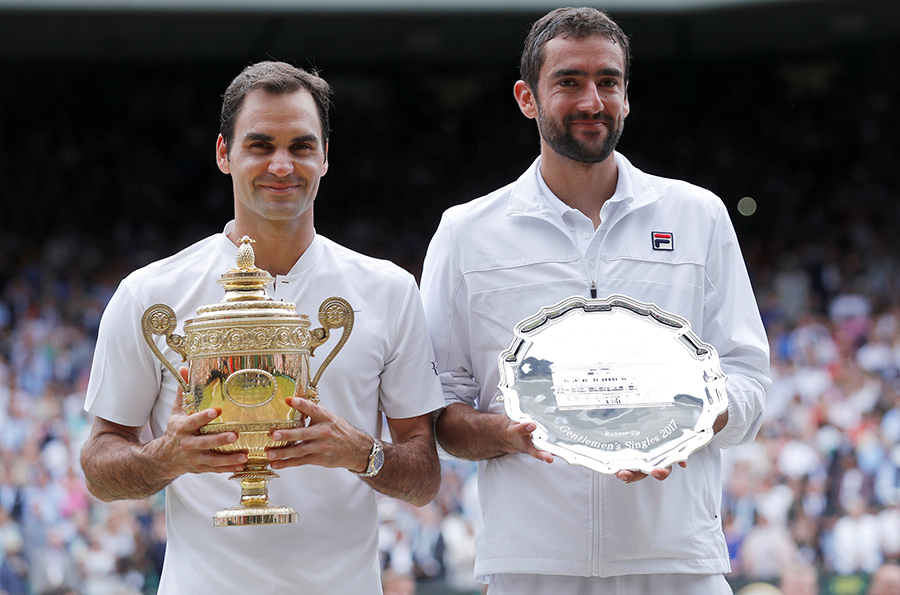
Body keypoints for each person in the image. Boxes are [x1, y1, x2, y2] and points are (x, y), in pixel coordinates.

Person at [420, 7, 770, 595]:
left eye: (608, 82)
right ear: (527, 98)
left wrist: (686, 420)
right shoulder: (465, 232)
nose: (592, 101)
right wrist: (510, 433)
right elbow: (437, 412)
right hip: (531, 566)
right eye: (569, 82)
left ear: (627, 96)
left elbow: (750, 384)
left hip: (680, 561)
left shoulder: (698, 215)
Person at [80, 61, 444, 594]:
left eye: (300, 146)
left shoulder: (388, 290)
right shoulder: (149, 293)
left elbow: (424, 476)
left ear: (324, 157)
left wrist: (361, 453)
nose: (281, 164)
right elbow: (99, 463)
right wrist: (167, 458)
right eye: (260, 145)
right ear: (224, 154)